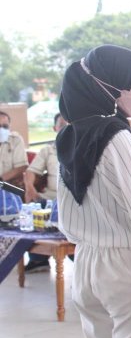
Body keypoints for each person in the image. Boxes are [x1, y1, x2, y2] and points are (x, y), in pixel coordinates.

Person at [56, 45, 131, 338]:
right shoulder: (116, 136)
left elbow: (68, 207)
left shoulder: (68, 136)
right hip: (129, 267)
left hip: (85, 264)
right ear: (105, 85)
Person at [23, 113, 68, 273]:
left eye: (70, 123)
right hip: (50, 198)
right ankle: (38, 260)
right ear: (55, 128)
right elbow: (30, 172)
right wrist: (30, 189)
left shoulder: (82, 147)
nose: (66, 127)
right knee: (34, 209)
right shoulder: (48, 150)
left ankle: (75, 257)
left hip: (72, 200)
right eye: (62, 124)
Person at [0, 111, 28, 187]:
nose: (1, 129)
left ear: (9, 127)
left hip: (6, 186)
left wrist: (1, 179)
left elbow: (21, 167)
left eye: (5, 126)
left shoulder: (16, 140)